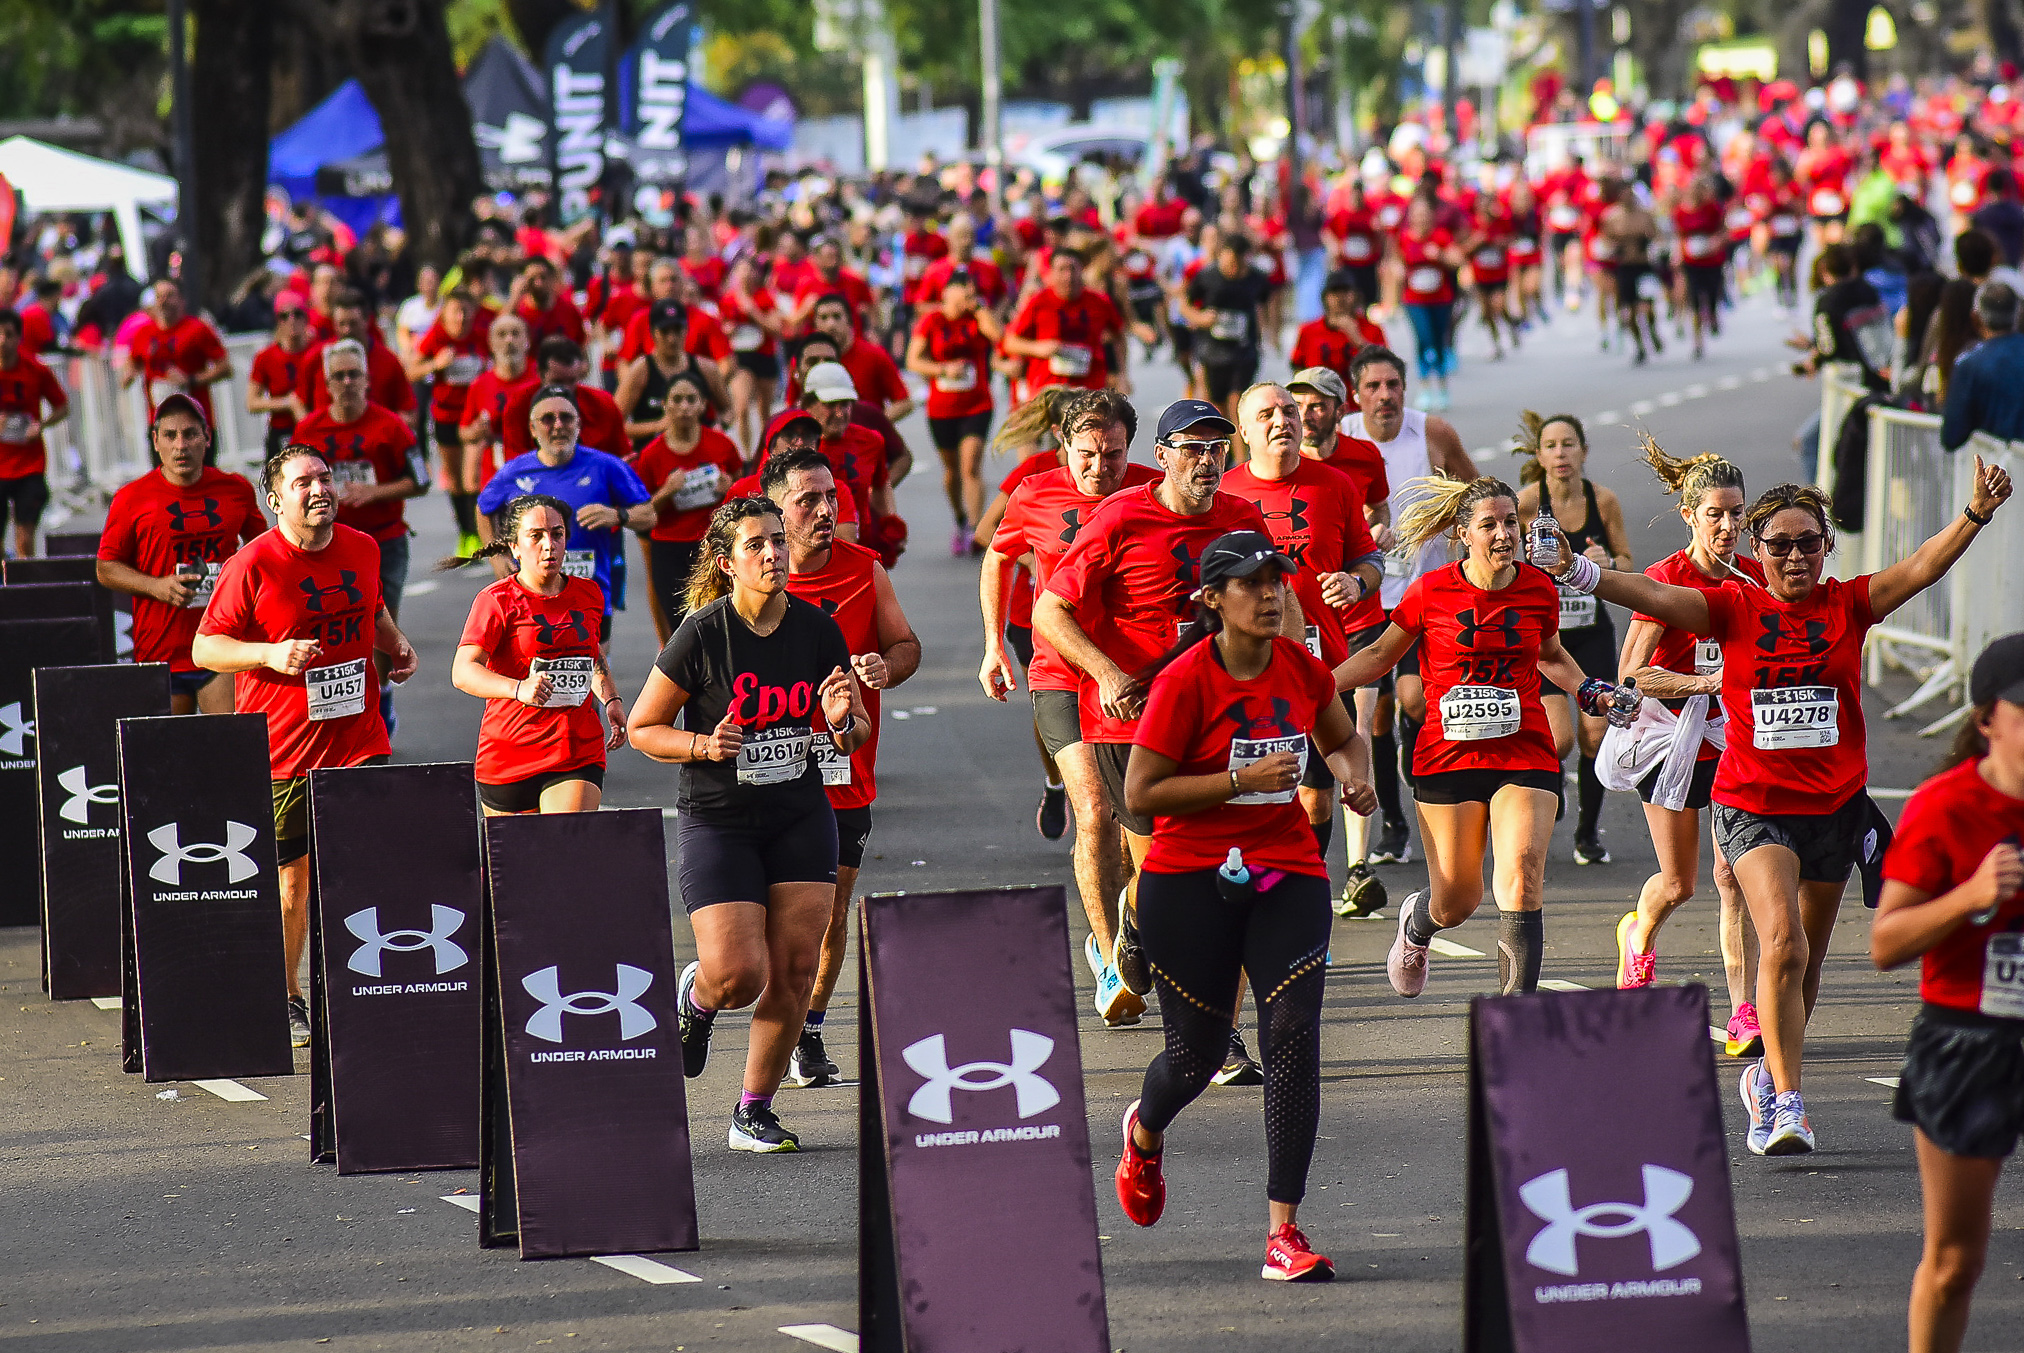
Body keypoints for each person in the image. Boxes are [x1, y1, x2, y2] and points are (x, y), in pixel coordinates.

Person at [1558, 463, 2013, 1154]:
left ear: (1826, 548)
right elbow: (1650, 591)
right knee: (1781, 942)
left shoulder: (1850, 604)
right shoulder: (1732, 607)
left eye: (1808, 543)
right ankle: (1788, 1102)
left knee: (1808, 963)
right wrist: (1577, 571)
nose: (1795, 556)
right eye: (1779, 545)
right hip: (1753, 805)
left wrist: (1975, 513)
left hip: (1833, 808)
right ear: (1758, 549)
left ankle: (1767, 1077)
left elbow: (1921, 566)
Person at [1113, 529, 1376, 1283]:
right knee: (1195, 1056)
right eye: (1253, 583)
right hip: (1188, 875)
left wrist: (1353, 775)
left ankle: (1283, 1231)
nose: (1271, 594)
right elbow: (1140, 795)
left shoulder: (1298, 664)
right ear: (1211, 599)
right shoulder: (1186, 682)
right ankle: (1147, 1128)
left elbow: (1344, 739)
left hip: (1283, 865)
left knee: (1292, 1029)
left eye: (1277, 580)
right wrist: (1239, 778)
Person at [1035, 399, 1279, 1074]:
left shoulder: (1242, 519)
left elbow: (1271, 606)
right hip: (1129, 724)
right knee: (1179, 872)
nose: (1207, 461)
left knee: (1226, 875)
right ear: (1164, 455)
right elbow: (1049, 609)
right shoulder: (1121, 516)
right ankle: (1139, 915)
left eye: (1216, 448)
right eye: (1192, 448)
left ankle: (1218, 1033)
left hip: (1219, 721)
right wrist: (1106, 670)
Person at [626, 497, 870, 1153]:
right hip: (721, 819)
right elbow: (640, 727)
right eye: (756, 545)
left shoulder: (819, 630)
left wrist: (844, 718)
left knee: (792, 969)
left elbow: (854, 735)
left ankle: (751, 1110)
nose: (772, 554)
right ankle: (698, 999)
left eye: (777, 542)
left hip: (799, 813)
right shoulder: (702, 633)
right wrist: (704, 744)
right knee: (739, 973)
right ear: (726, 561)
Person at [191, 446, 418, 1048]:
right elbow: (205, 649)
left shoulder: (363, 547)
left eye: (324, 478)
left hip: (360, 736)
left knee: (360, 867)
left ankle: (353, 985)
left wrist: (395, 644)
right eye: (302, 483)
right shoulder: (254, 562)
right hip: (285, 750)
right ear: (275, 501)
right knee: (294, 880)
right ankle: (287, 994)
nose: (319, 489)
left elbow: (370, 606)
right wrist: (267, 653)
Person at [1335, 474, 1590, 998]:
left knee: (1521, 872)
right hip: (1448, 754)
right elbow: (1381, 656)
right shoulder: (1431, 590)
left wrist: (1592, 692)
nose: (1503, 534)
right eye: (1488, 524)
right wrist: (1309, 685)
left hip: (1523, 747)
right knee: (1458, 899)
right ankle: (1418, 925)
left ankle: (1515, 1024)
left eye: (1511, 522)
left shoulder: (1539, 587)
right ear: (1462, 533)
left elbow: (1552, 656)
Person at [981, 389, 1160, 1025]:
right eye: (1087, 454)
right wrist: (993, 645)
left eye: (1113, 455)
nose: (1099, 468)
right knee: (1092, 810)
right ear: (1064, 446)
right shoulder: (1034, 492)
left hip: (1136, 678)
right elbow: (997, 556)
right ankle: (1111, 959)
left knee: (1138, 824)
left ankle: (1124, 932)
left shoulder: (1152, 489)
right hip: (1060, 670)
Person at [1871, 635, 2024, 1353]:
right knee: (1956, 1260)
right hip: (1970, 1039)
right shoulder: (1946, 805)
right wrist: (1970, 895)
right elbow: (1886, 943)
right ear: (1989, 717)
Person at [761, 448, 920, 1087]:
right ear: (776, 511)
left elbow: (905, 645)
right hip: (765, 771)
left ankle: (812, 1027)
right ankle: (736, 993)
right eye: (808, 500)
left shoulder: (865, 571)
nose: (827, 511)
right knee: (763, 910)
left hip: (842, 771)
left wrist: (887, 666)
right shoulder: (753, 578)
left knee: (828, 906)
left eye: (832, 498)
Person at [1612, 441, 1764, 1057]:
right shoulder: (1666, 581)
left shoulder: (1757, 576)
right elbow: (1630, 674)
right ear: (1689, 516)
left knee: (1735, 877)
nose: (1729, 528)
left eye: (1738, 514)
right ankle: (1638, 935)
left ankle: (1745, 1013)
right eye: (1715, 515)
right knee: (1680, 884)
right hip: (1670, 741)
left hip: (1735, 743)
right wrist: (1705, 683)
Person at [1223, 383, 1384, 897]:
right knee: (1250, 793)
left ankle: (1298, 895)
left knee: (1314, 796)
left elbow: (1370, 558)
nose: (1282, 421)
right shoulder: (1224, 491)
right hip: (1240, 669)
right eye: (1266, 414)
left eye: (1289, 411)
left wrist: (1357, 582)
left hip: (1317, 665)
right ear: (1244, 431)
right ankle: (1257, 891)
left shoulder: (1334, 484)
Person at [1343, 346, 1479, 870]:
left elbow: (1475, 491)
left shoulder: (1432, 432)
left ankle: (1424, 794)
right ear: (1357, 395)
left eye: (1393, 385)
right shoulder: (1344, 435)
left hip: (1423, 592)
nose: (1385, 396)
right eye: (1373, 387)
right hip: (1362, 594)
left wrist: (1449, 527)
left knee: (1414, 699)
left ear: (1405, 389)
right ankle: (1396, 823)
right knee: (1372, 712)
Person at [448, 493, 626, 814]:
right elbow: (463, 671)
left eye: (557, 534)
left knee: (561, 848)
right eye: (536, 536)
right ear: (515, 547)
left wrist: (611, 699)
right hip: (508, 753)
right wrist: (518, 689)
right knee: (516, 863)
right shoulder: (496, 600)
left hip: (576, 751)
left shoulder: (589, 593)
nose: (549, 545)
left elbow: (590, 653)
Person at [1510, 412, 1632, 864]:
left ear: (1583, 451)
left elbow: (1625, 559)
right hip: (1545, 636)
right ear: (1539, 456)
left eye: (1568, 444)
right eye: (1552, 446)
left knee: (1596, 735)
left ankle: (1587, 834)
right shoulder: (1524, 505)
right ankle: (1551, 780)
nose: (1561, 454)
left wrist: (1605, 563)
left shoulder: (1604, 502)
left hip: (1591, 633)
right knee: (1558, 740)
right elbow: (1502, 561)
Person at [96, 394, 263, 714]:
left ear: (207, 437)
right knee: (171, 757)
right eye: (170, 436)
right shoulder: (132, 498)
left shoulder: (236, 489)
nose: (180, 445)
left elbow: (264, 552)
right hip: (161, 650)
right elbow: (106, 568)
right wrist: (156, 586)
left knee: (231, 747)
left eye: (190, 434)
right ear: (156, 441)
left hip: (223, 642)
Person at [292, 338, 426, 734]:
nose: (347, 382)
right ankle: (343, 704)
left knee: (380, 626)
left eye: (354, 375)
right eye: (339, 376)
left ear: (367, 380)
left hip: (384, 540)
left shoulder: (391, 426)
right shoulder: (309, 428)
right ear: (326, 383)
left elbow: (420, 479)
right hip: (327, 545)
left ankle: (380, 696)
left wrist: (375, 492)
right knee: (334, 626)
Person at [477, 384, 653, 632]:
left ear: (578, 424)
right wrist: (496, 556)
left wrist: (616, 515)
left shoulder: (605, 466)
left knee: (593, 668)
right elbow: (484, 508)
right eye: (548, 419)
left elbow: (649, 515)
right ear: (532, 429)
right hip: (531, 598)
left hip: (590, 597)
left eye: (566, 418)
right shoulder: (514, 472)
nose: (558, 425)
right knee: (538, 668)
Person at [632, 370, 742, 641]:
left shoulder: (722, 446)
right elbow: (641, 513)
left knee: (720, 623)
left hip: (712, 546)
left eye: (691, 399)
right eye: (677, 400)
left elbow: (744, 495)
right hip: (668, 549)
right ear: (665, 405)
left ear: (703, 404)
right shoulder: (652, 455)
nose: (684, 407)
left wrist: (729, 490)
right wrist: (667, 492)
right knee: (683, 629)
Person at [905, 268, 1001, 554]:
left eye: (974, 292)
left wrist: (982, 311)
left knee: (971, 463)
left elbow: (1000, 337)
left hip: (977, 403)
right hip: (942, 407)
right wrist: (942, 369)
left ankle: (975, 528)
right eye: (965, 291)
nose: (969, 297)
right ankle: (960, 518)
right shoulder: (931, 321)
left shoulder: (977, 319)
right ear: (948, 292)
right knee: (952, 470)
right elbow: (913, 361)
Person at [408, 289, 493, 555]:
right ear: (444, 313)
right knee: (455, 478)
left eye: (466, 311)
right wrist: (436, 364)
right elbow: (412, 370)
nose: (461, 317)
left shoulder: (481, 335)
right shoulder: (436, 336)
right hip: (446, 415)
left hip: (475, 416)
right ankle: (466, 533)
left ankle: (481, 531)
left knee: (475, 477)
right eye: (455, 311)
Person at [456, 313, 537, 551]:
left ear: (527, 340)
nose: (509, 340)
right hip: (497, 476)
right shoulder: (480, 385)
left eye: (515, 334)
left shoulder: (539, 378)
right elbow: (464, 432)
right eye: (502, 335)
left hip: (536, 475)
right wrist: (478, 431)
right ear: (491, 343)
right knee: (508, 552)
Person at [1005, 246, 1128, 396]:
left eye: (1073, 269)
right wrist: (1039, 348)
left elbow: (1119, 336)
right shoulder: (1038, 302)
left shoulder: (1099, 301)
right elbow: (1010, 342)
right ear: (1051, 273)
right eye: (1062, 270)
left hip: (1090, 388)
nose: (1068, 276)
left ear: (1082, 270)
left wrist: (1121, 374)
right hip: (1049, 391)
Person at [0, 306, 71, 557]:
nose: (3, 342)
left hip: (29, 465)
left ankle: (24, 591)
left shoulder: (35, 369)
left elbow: (62, 406)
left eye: (8, 335)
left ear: (18, 338)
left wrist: (42, 425)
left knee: (24, 536)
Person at [1180, 234, 1271, 426]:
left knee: (1238, 402)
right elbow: (1184, 304)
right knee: (1217, 406)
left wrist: (1265, 335)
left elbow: (1263, 307)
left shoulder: (1257, 279)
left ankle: (1241, 455)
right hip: (1212, 350)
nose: (1234, 270)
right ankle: (1224, 449)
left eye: (1239, 266)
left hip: (1244, 350)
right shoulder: (1207, 276)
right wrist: (1200, 318)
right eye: (1229, 264)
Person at [121, 279, 231, 426]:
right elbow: (133, 362)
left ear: (182, 300)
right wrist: (129, 375)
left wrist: (190, 380)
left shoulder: (197, 329)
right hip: (159, 422)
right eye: (159, 297)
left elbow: (225, 369)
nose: (163, 301)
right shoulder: (144, 333)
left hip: (194, 420)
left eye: (169, 296)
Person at [1390, 196, 1461, 410]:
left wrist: (1440, 255)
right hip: (1414, 299)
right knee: (1423, 338)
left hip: (1441, 298)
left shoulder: (1441, 237)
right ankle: (1424, 387)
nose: (1420, 219)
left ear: (1431, 217)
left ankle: (1441, 386)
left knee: (1439, 341)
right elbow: (1394, 262)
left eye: (1424, 215)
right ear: (1410, 218)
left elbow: (1457, 260)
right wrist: (1398, 271)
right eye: (1416, 215)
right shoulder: (1403, 238)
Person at [295, 291, 415, 416]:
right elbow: (299, 402)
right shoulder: (316, 358)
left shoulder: (388, 361)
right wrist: (312, 431)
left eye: (353, 323)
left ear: (367, 321)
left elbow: (408, 412)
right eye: (341, 324)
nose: (347, 330)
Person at [1939, 282, 2024, 449]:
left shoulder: (1969, 364)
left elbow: (1952, 436)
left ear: (1975, 318)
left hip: (1997, 468)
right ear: (2018, 314)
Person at [716, 254, 786, 453]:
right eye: (741, 271)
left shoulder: (765, 297)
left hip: (764, 355)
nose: (746, 275)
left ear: (757, 274)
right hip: (740, 357)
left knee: (765, 411)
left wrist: (754, 312)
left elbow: (777, 330)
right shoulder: (728, 299)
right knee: (742, 406)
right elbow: (720, 328)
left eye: (750, 270)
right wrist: (727, 330)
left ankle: (767, 451)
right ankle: (747, 455)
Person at [1288, 270, 1385, 390]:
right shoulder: (1308, 331)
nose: (1340, 298)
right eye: (1335, 293)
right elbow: (1297, 367)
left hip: (1358, 403)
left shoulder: (1372, 330)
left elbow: (1385, 367)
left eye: (1346, 292)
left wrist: (1358, 340)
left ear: (1356, 295)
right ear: (1325, 297)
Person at [245, 297, 311, 461]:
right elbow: (252, 402)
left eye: (297, 314)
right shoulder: (266, 357)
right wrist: (286, 403)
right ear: (277, 321)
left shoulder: (318, 351)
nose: (291, 320)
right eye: (284, 316)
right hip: (282, 429)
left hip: (313, 425)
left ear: (306, 318)